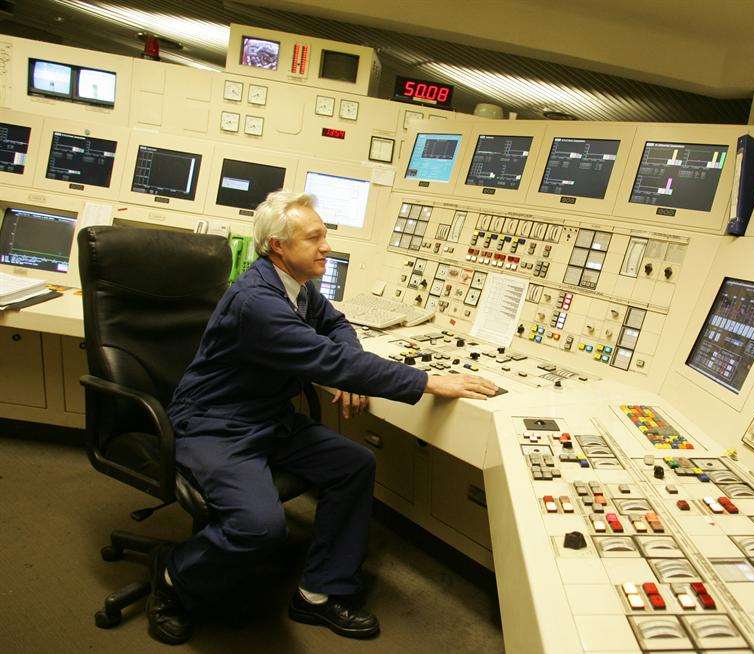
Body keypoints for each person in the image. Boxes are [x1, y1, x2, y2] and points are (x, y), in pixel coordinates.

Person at [147, 191, 498, 645]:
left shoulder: (297, 287)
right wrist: (428, 380)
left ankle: (318, 592)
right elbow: (323, 357)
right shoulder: (258, 301)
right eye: (314, 238)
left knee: (353, 464)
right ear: (278, 245)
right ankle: (174, 576)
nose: (326, 246)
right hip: (217, 424)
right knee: (258, 526)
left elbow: (335, 328)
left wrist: (346, 369)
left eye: (324, 234)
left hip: (267, 418)